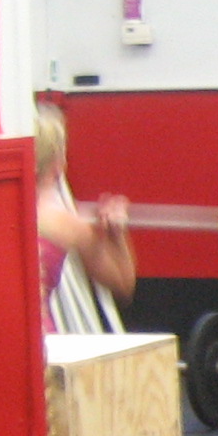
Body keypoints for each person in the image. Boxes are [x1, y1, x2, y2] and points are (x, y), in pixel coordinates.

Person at [32, 105, 134, 328]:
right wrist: (117, 235)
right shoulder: (63, 224)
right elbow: (122, 283)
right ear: (57, 165)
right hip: (41, 339)